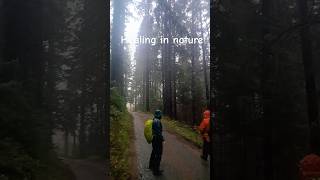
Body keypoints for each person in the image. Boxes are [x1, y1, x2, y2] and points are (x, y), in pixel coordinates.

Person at [149, 110, 164, 176]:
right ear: (159, 115)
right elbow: (158, 132)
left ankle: (151, 165)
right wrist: (162, 139)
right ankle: (156, 171)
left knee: (154, 152)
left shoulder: (153, 120)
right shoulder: (157, 121)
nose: (161, 116)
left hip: (153, 139)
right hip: (157, 140)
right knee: (158, 154)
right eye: (160, 114)